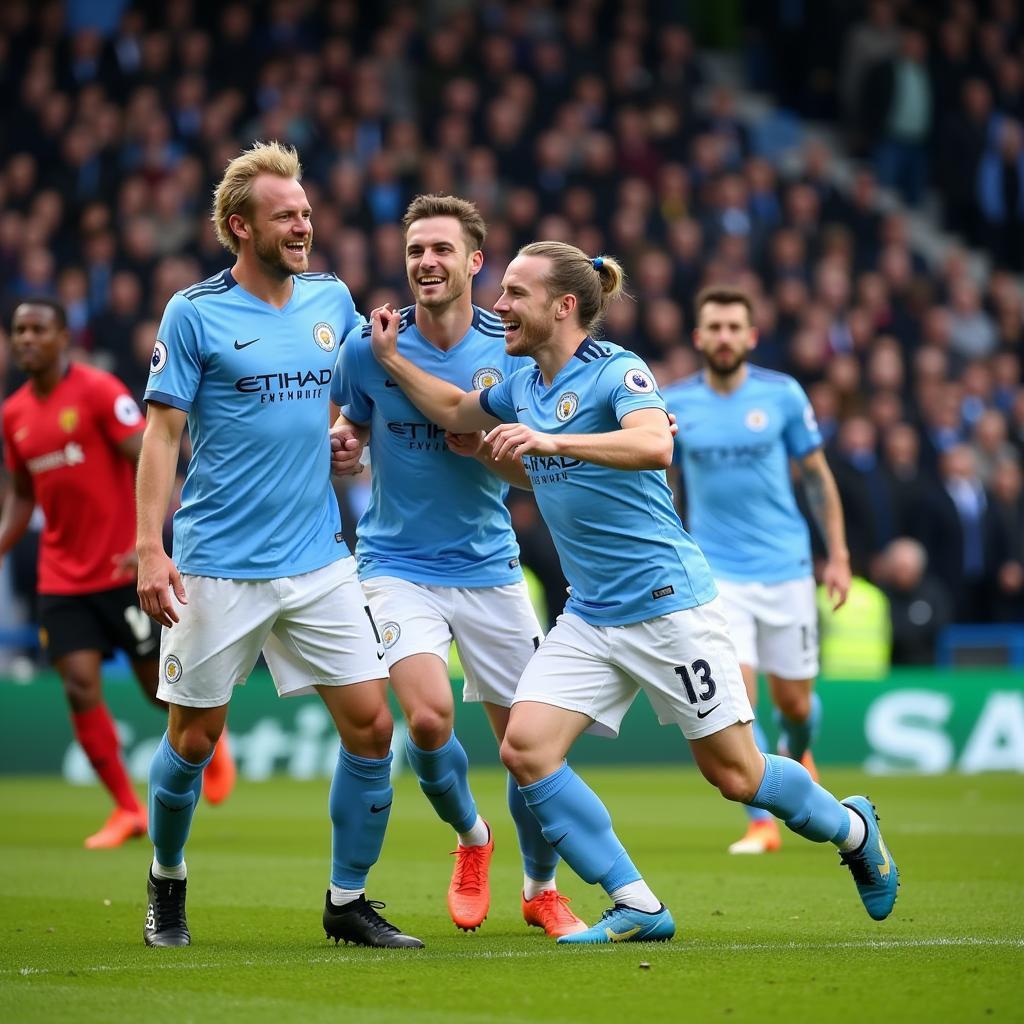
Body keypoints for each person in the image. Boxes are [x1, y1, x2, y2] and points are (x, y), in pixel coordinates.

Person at [366, 240, 900, 943]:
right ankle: (637, 903)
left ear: (563, 306)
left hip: (668, 604)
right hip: (591, 615)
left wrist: (552, 443)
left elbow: (653, 446)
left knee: (737, 777)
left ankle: (854, 829)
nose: (498, 307)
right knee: (525, 748)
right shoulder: (521, 384)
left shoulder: (617, 370)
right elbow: (460, 412)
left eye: (515, 294)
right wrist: (395, 363)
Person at [135, 141, 421, 949]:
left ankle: (347, 900)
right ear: (239, 226)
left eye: (305, 211)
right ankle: (166, 880)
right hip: (216, 563)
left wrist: (341, 436)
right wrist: (149, 551)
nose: (303, 225)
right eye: (285, 215)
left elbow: (334, 403)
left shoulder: (331, 301)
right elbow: (162, 435)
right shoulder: (193, 313)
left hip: (319, 558)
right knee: (192, 740)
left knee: (372, 728)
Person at [330, 194, 585, 937]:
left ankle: (541, 889)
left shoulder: (507, 348)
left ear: (477, 263)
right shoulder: (365, 345)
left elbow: (535, 477)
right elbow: (349, 421)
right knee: (429, 717)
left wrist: (492, 451)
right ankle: (473, 838)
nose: (426, 263)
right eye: (415, 251)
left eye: (441, 250)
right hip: (393, 562)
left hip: (489, 567)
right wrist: (344, 441)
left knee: (528, 750)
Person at [0, 298, 234, 850]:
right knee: (80, 687)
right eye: (19, 331)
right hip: (61, 576)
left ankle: (209, 742)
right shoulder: (12, 415)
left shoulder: (100, 392)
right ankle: (128, 810)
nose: (27, 339)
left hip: (121, 568)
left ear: (64, 337)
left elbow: (151, 453)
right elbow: (22, 497)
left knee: (158, 687)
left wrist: (147, 541)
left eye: (39, 329)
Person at [664, 286, 851, 855]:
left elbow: (817, 477)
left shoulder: (783, 396)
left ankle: (800, 752)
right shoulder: (673, 403)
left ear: (751, 336)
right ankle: (763, 821)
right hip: (717, 575)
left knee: (795, 705)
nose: (723, 337)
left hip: (787, 568)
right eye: (713, 327)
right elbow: (660, 483)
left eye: (732, 327)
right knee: (736, 702)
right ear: (699, 337)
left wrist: (838, 555)